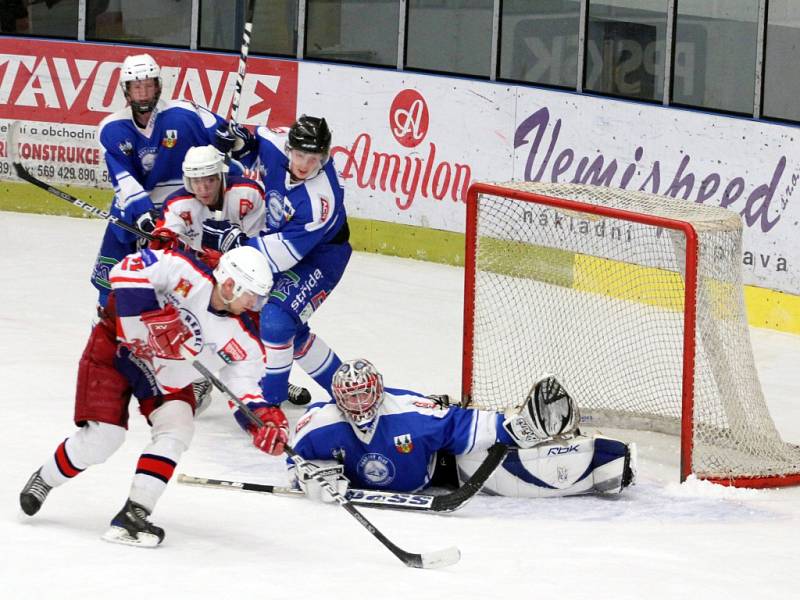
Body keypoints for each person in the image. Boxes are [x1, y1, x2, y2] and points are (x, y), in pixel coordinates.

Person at [19, 246, 289, 547]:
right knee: (104, 439)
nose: (256, 304)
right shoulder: (183, 270)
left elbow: (244, 385)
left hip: (165, 375)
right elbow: (124, 270)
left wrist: (262, 419)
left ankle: (134, 514)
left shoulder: (245, 337)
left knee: (178, 428)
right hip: (117, 348)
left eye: (260, 297)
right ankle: (45, 478)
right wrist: (151, 314)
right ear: (229, 284)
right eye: (251, 294)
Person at [282, 359, 636, 501]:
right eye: (351, 396)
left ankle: (605, 461)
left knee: (506, 472)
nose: (358, 404)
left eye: (364, 394)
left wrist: (515, 429)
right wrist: (307, 476)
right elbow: (294, 458)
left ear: (379, 391)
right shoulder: (319, 425)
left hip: (442, 468)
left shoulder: (412, 415)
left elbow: (469, 425)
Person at [201, 115, 351, 408]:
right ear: (289, 148)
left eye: (313, 158)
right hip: (283, 238)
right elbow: (252, 145)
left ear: (324, 157)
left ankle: (269, 403)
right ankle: (347, 393)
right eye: (299, 155)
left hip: (320, 256)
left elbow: (283, 255)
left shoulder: (321, 199)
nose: (304, 165)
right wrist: (240, 143)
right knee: (286, 326)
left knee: (277, 320)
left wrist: (235, 242)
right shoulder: (275, 141)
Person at [91, 52, 236, 307]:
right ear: (127, 91)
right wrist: (142, 213)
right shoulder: (111, 129)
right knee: (110, 282)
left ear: (158, 86)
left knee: (183, 282)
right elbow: (123, 179)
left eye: (148, 85)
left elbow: (228, 137)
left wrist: (233, 139)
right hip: (134, 210)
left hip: (181, 209)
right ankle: (106, 327)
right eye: (137, 87)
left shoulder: (184, 113)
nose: (144, 93)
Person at [155, 145, 266, 251]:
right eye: (196, 181)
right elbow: (164, 248)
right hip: (194, 267)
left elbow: (257, 245)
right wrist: (164, 238)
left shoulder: (248, 193)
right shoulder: (175, 205)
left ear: (221, 178)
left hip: (241, 264)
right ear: (188, 182)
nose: (203, 189)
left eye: (210, 180)